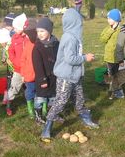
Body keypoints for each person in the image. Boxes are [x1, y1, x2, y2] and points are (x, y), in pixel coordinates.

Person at [41, 8, 98, 142]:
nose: (81, 25)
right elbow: (70, 59)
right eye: (79, 23)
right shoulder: (70, 38)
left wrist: (83, 58)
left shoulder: (74, 37)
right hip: (66, 77)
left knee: (80, 99)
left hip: (75, 76)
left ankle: (86, 119)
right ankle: (47, 128)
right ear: (74, 23)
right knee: (61, 101)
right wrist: (85, 58)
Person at [32, 17, 59, 124]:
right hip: (42, 78)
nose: (40, 33)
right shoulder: (37, 47)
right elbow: (37, 66)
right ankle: (38, 116)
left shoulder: (56, 43)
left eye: (42, 31)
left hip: (54, 77)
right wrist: (42, 80)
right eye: (38, 31)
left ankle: (52, 115)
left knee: (53, 97)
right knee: (40, 98)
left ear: (49, 30)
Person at [99, 8, 124, 99]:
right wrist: (111, 30)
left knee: (118, 75)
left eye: (110, 18)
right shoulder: (107, 29)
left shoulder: (121, 30)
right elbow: (102, 39)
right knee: (111, 74)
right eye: (108, 18)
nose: (108, 20)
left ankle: (117, 91)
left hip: (118, 57)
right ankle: (112, 89)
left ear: (116, 19)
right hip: (109, 58)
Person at [6, 13, 27, 116]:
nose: (14, 29)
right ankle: (9, 104)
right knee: (14, 87)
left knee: (31, 87)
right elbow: (11, 50)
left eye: (16, 28)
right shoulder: (15, 37)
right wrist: (14, 61)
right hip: (18, 69)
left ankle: (33, 104)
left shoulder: (29, 38)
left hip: (29, 69)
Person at [21, 18, 38, 119]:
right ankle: (30, 108)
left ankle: (41, 108)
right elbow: (23, 60)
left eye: (27, 34)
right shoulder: (27, 44)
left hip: (39, 75)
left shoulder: (40, 44)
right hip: (29, 76)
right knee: (30, 92)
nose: (25, 36)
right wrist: (23, 74)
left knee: (40, 93)